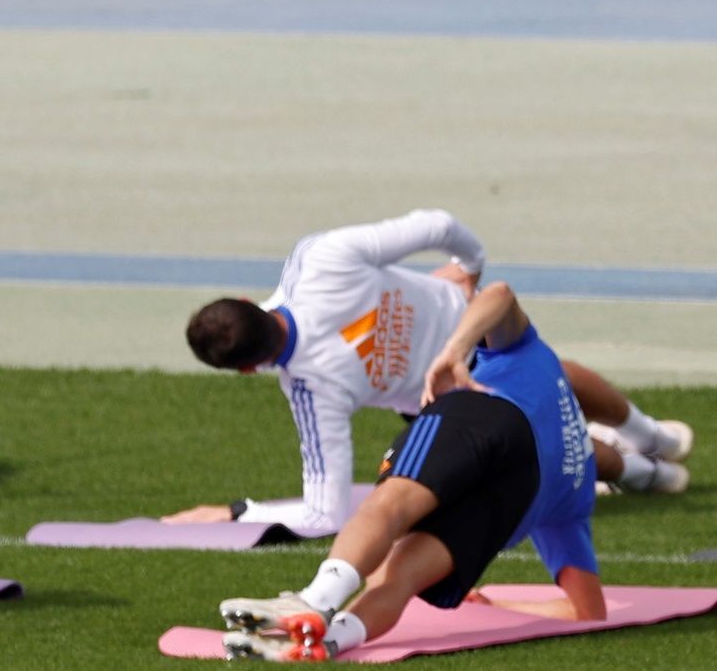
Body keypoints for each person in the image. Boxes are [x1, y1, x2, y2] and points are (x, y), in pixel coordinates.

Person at [174, 210, 685, 536]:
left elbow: (323, 516)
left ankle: (651, 473)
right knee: (559, 376)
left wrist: (241, 512)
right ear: (246, 300)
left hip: (461, 395)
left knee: (553, 436)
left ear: (245, 370)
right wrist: (471, 265)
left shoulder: (312, 392)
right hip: (476, 322)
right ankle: (653, 440)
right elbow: (438, 225)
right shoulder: (316, 259)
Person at [219, 280, 597, 661]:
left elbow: (499, 293)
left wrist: (454, 350)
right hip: (519, 494)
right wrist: (498, 605)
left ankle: (315, 600)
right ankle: (332, 640)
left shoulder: (536, 359)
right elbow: (588, 611)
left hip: (488, 413)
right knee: (401, 577)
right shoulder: (579, 487)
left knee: (391, 504)